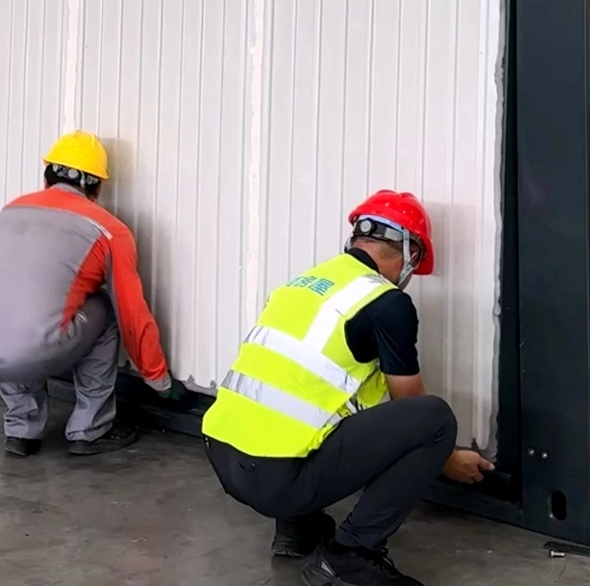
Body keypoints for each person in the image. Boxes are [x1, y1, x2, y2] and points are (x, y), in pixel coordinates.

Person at [201, 190, 494, 586]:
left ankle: (296, 528)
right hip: (275, 480)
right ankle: (350, 557)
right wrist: (448, 458)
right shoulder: (387, 302)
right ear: (409, 252)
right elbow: (410, 402)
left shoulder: (305, 283)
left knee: (313, 406)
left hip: (222, 456)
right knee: (435, 419)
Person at [0, 131, 178, 457]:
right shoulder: (108, 229)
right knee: (106, 306)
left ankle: (21, 430)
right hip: (26, 353)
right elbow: (132, 315)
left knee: (15, 305)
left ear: (47, 178)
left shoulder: (10, 210)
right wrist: (160, 381)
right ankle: (91, 429)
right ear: (97, 189)